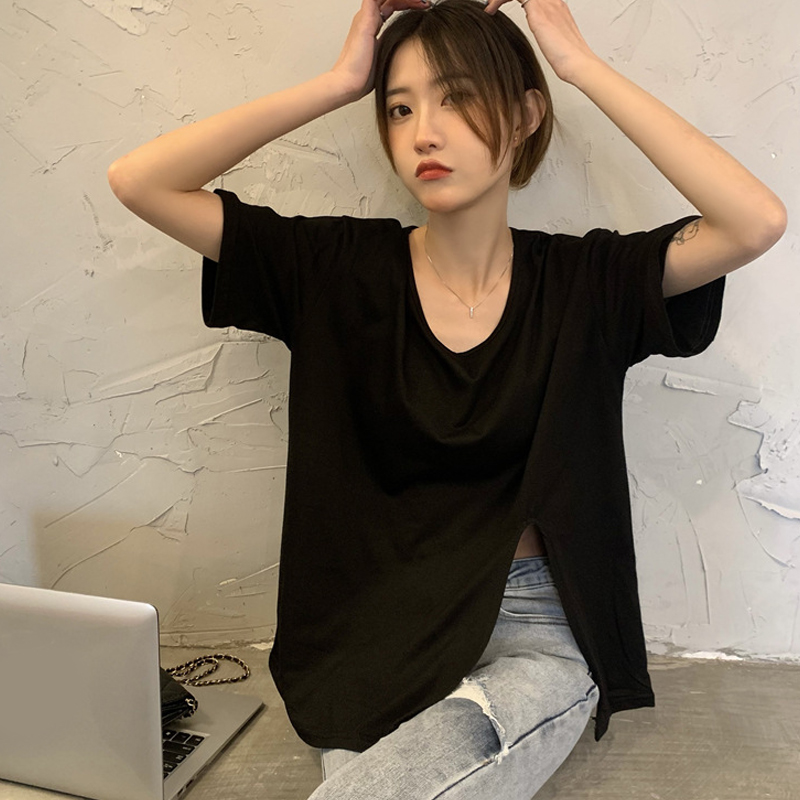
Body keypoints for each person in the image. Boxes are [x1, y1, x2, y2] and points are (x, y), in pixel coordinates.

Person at [108, 0, 786, 796]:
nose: (424, 132)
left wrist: (575, 63)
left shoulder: (587, 283)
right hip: (372, 630)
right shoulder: (332, 269)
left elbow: (754, 220)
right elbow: (139, 180)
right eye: (400, 108)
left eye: (458, 97)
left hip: (534, 627)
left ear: (526, 115)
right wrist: (340, 81)